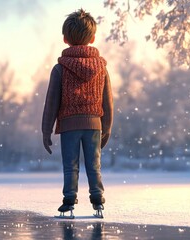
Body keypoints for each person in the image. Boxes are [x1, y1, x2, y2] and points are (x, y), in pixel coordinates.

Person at [41, 8, 113, 218]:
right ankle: (98, 199)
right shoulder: (102, 68)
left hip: (69, 125)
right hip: (94, 125)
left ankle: (69, 200)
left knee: (70, 166)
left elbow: (51, 103)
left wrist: (46, 131)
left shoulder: (60, 68)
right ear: (92, 38)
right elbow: (107, 102)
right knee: (94, 165)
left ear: (65, 39)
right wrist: (106, 127)